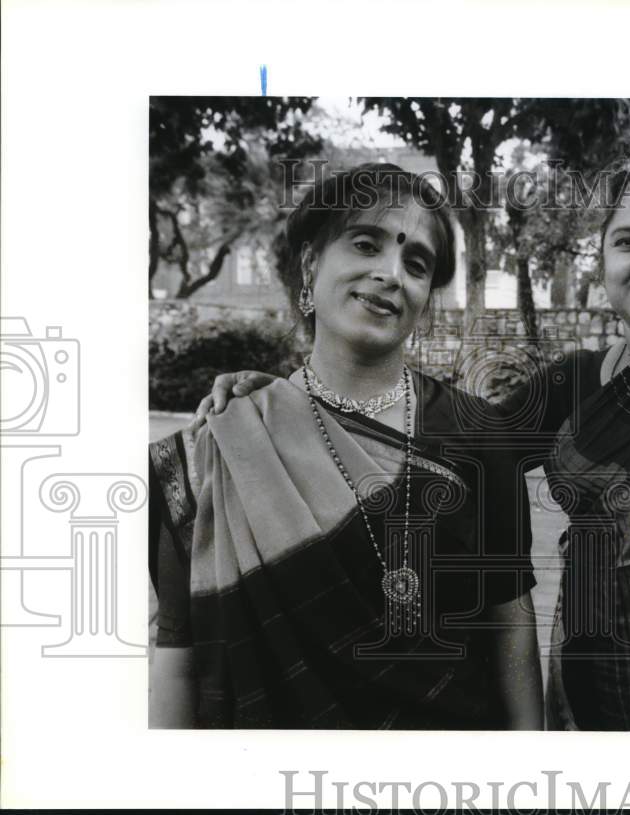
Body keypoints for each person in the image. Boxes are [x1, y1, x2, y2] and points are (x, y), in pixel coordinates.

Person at [195, 146, 630, 732]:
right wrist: (288, 395)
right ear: (603, 262)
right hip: (582, 715)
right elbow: (446, 441)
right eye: (627, 240)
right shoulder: (576, 385)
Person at [149, 163, 543, 729]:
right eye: (365, 244)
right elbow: (179, 658)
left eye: (416, 263)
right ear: (311, 265)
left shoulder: (479, 435)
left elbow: (510, 620)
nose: (390, 274)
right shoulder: (224, 447)